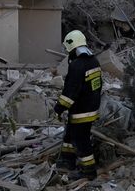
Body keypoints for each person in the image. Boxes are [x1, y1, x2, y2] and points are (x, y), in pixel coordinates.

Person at [54, 30, 102, 180]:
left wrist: (58, 109)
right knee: (70, 134)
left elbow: (70, 93)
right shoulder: (94, 61)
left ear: (72, 48)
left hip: (81, 110)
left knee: (81, 140)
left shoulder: (77, 66)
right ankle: (67, 160)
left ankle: (88, 171)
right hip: (90, 107)